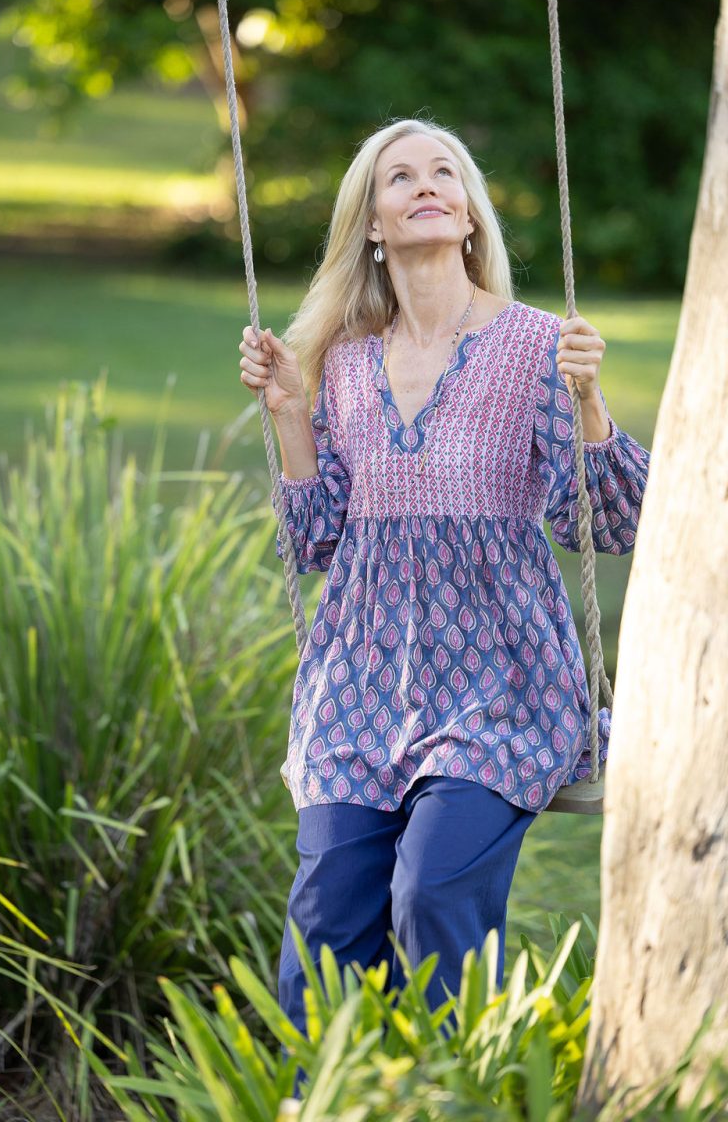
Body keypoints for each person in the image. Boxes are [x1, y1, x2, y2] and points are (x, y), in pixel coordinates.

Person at [237, 119, 651, 1097]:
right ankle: (330, 1099)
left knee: (429, 888)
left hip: (499, 685)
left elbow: (608, 520)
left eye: (443, 174)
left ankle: (462, 1092)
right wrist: (291, 413)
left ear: (465, 213)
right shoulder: (340, 361)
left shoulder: (538, 346)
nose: (425, 186)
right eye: (399, 177)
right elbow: (315, 540)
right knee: (328, 911)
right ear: (371, 224)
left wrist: (589, 406)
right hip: (358, 684)